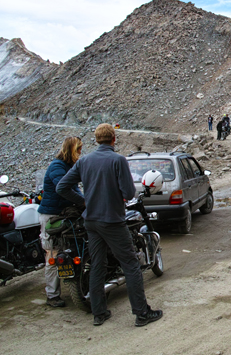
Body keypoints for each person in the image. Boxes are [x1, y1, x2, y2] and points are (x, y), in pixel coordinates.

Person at [56, 123, 163, 327]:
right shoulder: (118, 160)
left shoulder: (84, 161)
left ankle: (99, 313)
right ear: (114, 139)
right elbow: (129, 193)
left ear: (96, 140)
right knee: (131, 264)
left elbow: (62, 186)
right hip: (112, 220)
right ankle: (142, 313)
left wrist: (84, 201)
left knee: (97, 264)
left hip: (91, 221)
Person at [37, 136, 84, 308]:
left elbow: (75, 189)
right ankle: (52, 295)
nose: (80, 153)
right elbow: (63, 188)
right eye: (79, 149)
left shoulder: (68, 166)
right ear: (72, 149)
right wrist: (83, 202)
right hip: (52, 216)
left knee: (66, 249)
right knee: (52, 252)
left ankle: (74, 284)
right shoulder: (57, 167)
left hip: (64, 215)